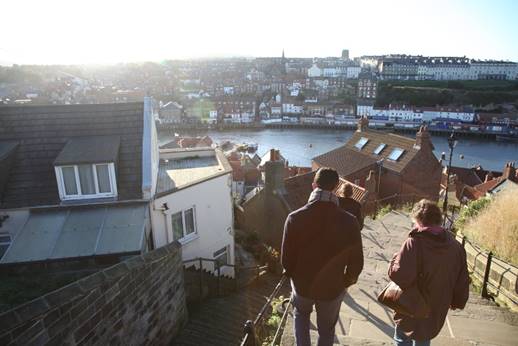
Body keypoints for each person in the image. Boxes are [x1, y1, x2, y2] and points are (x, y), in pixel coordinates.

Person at [281, 167, 364, 346]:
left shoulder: (294, 218)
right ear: (336, 188)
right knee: (326, 329)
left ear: (313, 186)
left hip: (303, 284)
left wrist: (294, 275)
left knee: (301, 316)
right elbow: (357, 262)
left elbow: (286, 260)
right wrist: (345, 281)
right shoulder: (350, 221)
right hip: (332, 286)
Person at [388, 199, 469, 346]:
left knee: (402, 339)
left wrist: (394, 260)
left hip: (410, 302)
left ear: (419, 220)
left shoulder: (413, 243)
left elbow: (400, 276)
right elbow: (462, 279)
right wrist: (457, 301)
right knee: (424, 338)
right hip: (437, 304)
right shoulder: (456, 248)